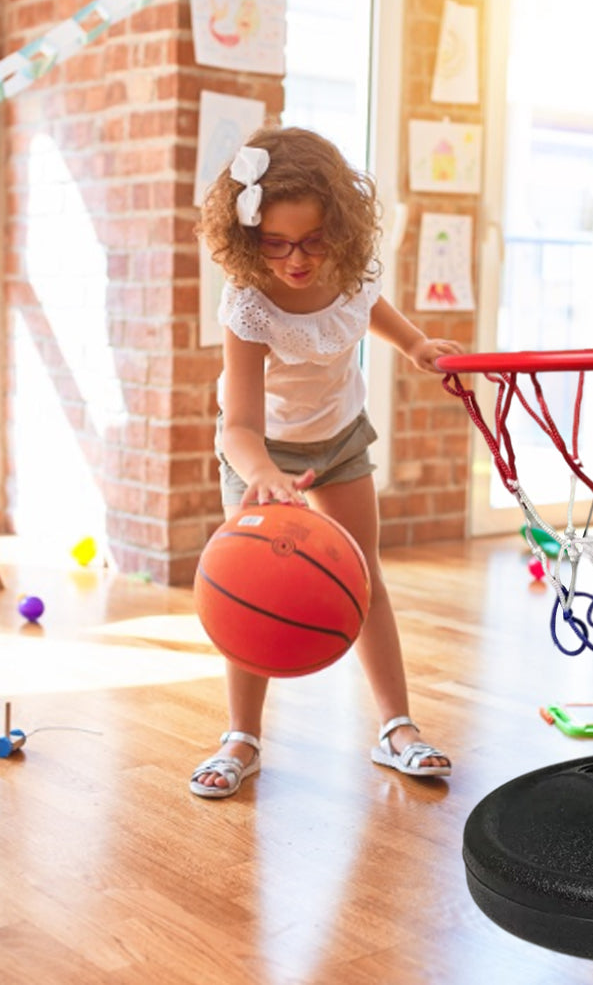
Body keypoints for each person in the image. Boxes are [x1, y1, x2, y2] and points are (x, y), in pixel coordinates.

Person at [190, 125, 461, 798]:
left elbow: (370, 308)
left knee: (363, 575)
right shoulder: (249, 304)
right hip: (262, 452)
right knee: (249, 587)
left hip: (338, 438)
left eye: (311, 240)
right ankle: (242, 737)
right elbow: (240, 425)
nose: (296, 259)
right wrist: (263, 476)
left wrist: (417, 346)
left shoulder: (345, 271)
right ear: (250, 237)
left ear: (337, 230)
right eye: (276, 244)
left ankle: (397, 727)